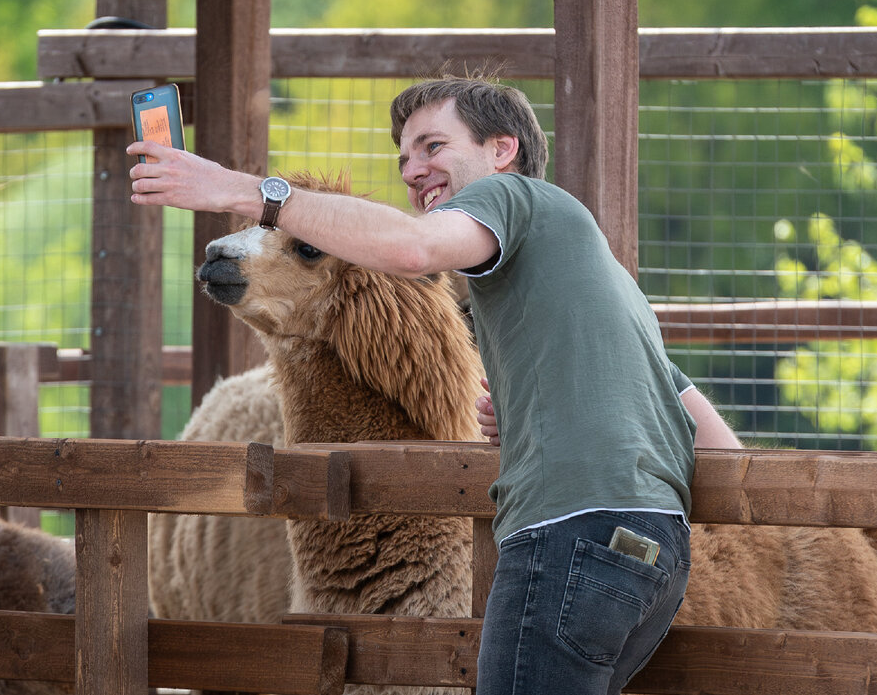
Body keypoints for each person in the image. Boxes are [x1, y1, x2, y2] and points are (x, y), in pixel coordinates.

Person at [128, 76, 740, 694]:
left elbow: (412, 249)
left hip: (571, 539)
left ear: (502, 151)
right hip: (647, 552)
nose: (413, 170)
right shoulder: (581, 274)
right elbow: (698, 425)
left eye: (433, 146)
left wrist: (236, 189)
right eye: (404, 158)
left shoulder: (513, 198)